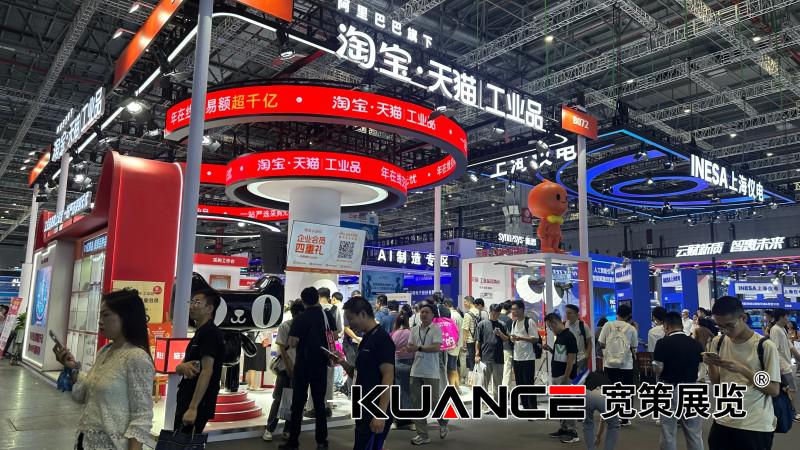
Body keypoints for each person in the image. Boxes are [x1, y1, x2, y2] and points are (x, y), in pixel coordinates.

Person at [53, 289, 154, 450]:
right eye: (100, 316)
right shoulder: (105, 351)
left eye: (106, 315)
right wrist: (72, 368)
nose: (100, 321)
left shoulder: (137, 357)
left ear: (126, 317)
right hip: (85, 441)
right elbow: (82, 394)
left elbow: (142, 416)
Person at [705, 296, 781, 450]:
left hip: (754, 424)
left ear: (743, 318)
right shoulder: (718, 342)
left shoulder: (764, 346)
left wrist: (742, 370)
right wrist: (711, 364)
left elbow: (774, 389)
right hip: (723, 419)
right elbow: (717, 383)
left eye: (729, 325)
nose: (725, 331)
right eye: (720, 326)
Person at [332, 297, 395, 450]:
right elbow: (358, 373)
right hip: (364, 405)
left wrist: (380, 414)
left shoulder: (381, 339)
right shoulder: (367, 337)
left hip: (375, 407)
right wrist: (342, 361)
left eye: (350, 319)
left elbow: (388, 376)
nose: (349, 324)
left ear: (362, 314)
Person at [282, 287, 333, 450]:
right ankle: (322, 442)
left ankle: (293, 441)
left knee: (298, 404)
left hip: (303, 365)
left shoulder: (300, 318)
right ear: (317, 298)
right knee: (319, 404)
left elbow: (292, 343)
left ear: (303, 301)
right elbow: (334, 335)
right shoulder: (327, 316)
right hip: (321, 365)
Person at [174, 289, 225, 434]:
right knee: (180, 439)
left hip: (198, 402)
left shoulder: (210, 333)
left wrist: (193, 408)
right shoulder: (200, 333)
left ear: (209, 308)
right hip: (187, 395)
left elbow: (207, 371)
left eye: (197, 302)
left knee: (185, 440)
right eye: (192, 302)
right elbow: (181, 366)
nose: (192, 306)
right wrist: (181, 367)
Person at [653, 312, 704, 450]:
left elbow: (658, 368)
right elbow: (701, 368)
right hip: (692, 388)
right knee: (694, 431)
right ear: (681, 325)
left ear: (667, 326)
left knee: (668, 430)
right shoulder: (695, 344)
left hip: (669, 387)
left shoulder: (662, 343)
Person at [406, 303, 448, 445]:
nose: (423, 314)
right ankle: (423, 435)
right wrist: (410, 348)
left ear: (432, 315)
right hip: (416, 370)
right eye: (422, 312)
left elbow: (436, 347)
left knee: (433, 402)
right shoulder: (414, 329)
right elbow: (410, 346)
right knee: (417, 404)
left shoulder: (436, 329)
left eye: (426, 312)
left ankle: (443, 421)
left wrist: (418, 348)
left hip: (431, 371)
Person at [264, 299, 305, 441]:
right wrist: (289, 368)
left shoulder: (306, 327)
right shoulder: (285, 326)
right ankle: (270, 428)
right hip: (285, 369)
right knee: (279, 399)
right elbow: (282, 348)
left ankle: (287, 429)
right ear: (298, 313)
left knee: (294, 401)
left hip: (300, 369)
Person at [598, 304, 637, 426]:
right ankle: (624, 418)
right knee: (626, 391)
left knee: (610, 390)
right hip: (626, 365)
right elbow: (634, 347)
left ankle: (611, 416)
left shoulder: (607, 325)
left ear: (617, 313)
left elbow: (601, 342)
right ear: (629, 315)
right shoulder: (631, 328)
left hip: (609, 364)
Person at [543, 312, 579, 443]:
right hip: (558, 375)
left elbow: (571, 358)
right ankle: (564, 428)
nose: (550, 329)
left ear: (555, 323)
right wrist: (550, 349)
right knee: (561, 404)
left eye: (550, 326)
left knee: (568, 404)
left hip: (565, 377)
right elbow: (561, 356)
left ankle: (573, 432)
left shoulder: (569, 336)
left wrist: (566, 376)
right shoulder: (560, 336)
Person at [509, 300, 541, 411]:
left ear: (522, 309)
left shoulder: (529, 321)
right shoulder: (514, 323)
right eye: (512, 309)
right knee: (519, 384)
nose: (513, 312)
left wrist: (520, 338)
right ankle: (525, 406)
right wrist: (512, 338)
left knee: (529, 383)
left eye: (515, 309)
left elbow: (535, 339)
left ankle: (533, 408)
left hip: (528, 357)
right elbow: (513, 337)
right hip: (517, 357)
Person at [769, 309, 800, 422]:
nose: (788, 319)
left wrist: (798, 357)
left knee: (788, 389)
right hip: (784, 366)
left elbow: (790, 346)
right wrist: (782, 367)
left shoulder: (782, 329)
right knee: (791, 388)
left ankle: (790, 411)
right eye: (787, 316)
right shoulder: (775, 330)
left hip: (786, 365)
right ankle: (793, 413)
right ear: (781, 317)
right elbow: (775, 350)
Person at [475, 305, 508, 403]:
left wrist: (500, 334)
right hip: (485, 357)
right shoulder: (482, 324)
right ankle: (484, 404)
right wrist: (477, 354)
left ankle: (497, 403)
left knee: (498, 383)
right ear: (490, 312)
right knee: (484, 383)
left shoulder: (502, 324)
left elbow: (507, 339)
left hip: (498, 358)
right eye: (493, 313)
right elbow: (478, 341)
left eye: (497, 314)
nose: (495, 315)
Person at [582, 371, 620, 450]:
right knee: (614, 425)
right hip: (602, 395)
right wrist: (599, 436)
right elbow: (604, 417)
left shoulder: (590, 376)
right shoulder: (608, 381)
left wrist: (598, 435)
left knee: (588, 424)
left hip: (587, 394)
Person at [391, 307, 415, 430]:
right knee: (409, 392)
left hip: (396, 364)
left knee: (398, 392)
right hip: (410, 364)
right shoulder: (411, 333)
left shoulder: (393, 334)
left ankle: (398, 420)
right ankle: (412, 421)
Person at [565, 304, 593, 374]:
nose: (567, 315)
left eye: (570, 313)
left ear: (577, 315)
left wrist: (587, 355)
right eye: (566, 313)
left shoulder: (583, 326)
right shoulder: (564, 326)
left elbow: (589, 342)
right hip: (568, 360)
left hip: (581, 359)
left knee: (581, 379)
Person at [463, 297, 488, 371]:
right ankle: (480, 376)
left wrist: (464, 343)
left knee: (472, 362)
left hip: (470, 340)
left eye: (465, 302)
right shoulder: (480, 312)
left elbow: (465, 330)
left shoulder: (467, 314)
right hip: (479, 340)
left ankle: (473, 377)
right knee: (479, 360)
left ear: (469, 302)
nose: (464, 304)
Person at [444, 299, 463, 388]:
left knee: (451, 368)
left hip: (452, 345)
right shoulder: (458, 314)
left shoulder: (451, 315)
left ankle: (452, 388)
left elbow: (452, 332)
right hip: (457, 344)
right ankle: (457, 387)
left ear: (446, 305)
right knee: (454, 367)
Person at [498, 301, 515, 387]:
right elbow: (511, 336)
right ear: (509, 309)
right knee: (506, 369)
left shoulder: (495, 317)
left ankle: (497, 388)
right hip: (506, 347)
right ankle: (505, 389)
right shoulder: (508, 320)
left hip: (496, 347)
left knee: (497, 370)